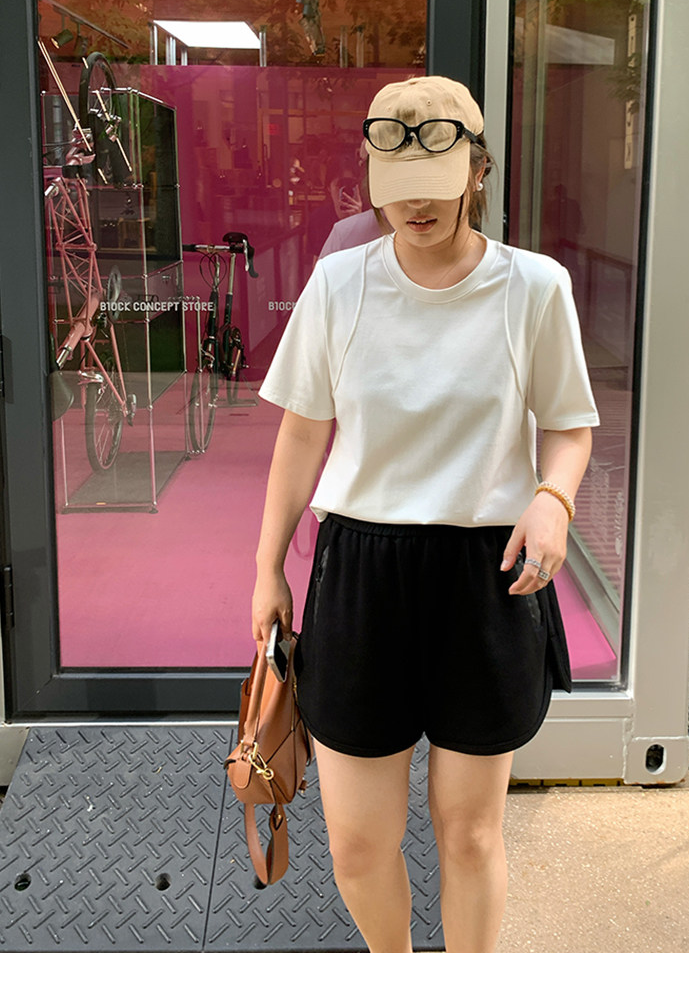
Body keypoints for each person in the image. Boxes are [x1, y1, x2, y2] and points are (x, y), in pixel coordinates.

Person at [252, 75, 599, 954]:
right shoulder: (339, 285)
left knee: (471, 834)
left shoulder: (534, 287)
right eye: (398, 186)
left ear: (478, 171)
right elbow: (302, 434)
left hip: (487, 576)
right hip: (361, 574)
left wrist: (553, 499)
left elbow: (569, 425)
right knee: (357, 843)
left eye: (438, 184)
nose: (416, 206)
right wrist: (266, 568)